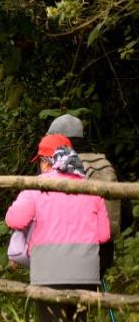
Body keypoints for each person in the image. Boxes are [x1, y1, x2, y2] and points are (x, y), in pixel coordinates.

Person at [5, 135, 110, 322]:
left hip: (48, 271)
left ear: (46, 161)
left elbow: (14, 220)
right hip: (86, 272)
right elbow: (103, 235)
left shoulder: (36, 186)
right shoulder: (91, 188)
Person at [46, 114, 132, 275]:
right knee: (95, 297)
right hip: (101, 255)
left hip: (64, 256)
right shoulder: (104, 164)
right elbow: (126, 214)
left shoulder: (55, 166)